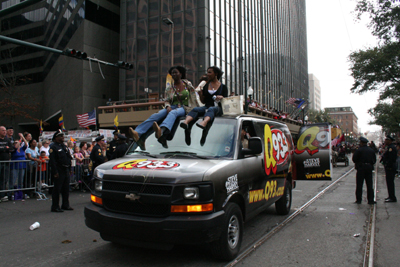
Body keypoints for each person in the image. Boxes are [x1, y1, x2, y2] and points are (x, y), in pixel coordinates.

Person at [129, 66, 197, 149]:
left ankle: (162, 130)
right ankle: (138, 132)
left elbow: (194, 97)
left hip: (185, 107)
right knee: (156, 115)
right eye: (172, 73)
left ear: (181, 74)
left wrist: (196, 108)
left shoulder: (187, 84)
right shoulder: (169, 88)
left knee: (173, 113)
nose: (174, 74)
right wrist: (167, 106)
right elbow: (167, 100)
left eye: (176, 72)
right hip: (172, 106)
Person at [180, 66, 228, 145]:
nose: (207, 74)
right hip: (207, 106)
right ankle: (185, 123)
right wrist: (201, 95)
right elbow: (203, 101)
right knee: (196, 109)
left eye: (210, 72)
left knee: (211, 109)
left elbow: (226, 100)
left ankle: (204, 122)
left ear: (215, 74)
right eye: (207, 72)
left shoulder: (223, 87)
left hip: (218, 108)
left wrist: (222, 97)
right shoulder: (206, 85)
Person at [49, 130, 73, 212]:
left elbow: (69, 158)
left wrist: (70, 169)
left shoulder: (64, 146)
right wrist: (55, 172)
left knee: (66, 189)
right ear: (56, 138)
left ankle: (65, 205)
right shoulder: (53, 147)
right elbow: (52, 161)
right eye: (61, 136)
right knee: (57, 189)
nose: (63, 137)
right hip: (59, 170)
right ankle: (55, 206)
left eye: (63, 136)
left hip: (66, 169)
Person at [352, 137, 377, 204]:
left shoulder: (359, 150)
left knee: (359, 184)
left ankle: (359, 200)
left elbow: (354, 159)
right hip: (369, 168)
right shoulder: (371, 150)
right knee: (369, 185)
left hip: (361, 168)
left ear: (362, 143)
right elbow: (374, 160)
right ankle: (370, 200)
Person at [381, 135, 397, 202]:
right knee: (389, 182)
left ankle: (392, 197)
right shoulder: (389, 147)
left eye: (386, 140)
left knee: (390, 182)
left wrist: (388, 165)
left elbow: (391, 158)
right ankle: (390, 196)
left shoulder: (391, 148)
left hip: (390, 167)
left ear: (389, 140)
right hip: (389, 167)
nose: (385, 141)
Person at [0, 126, 14, 202]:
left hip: (6, 162)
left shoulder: (7, 139)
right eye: (3, 130)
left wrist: (4, 148)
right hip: (0, 161)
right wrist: (5, 148)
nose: (4, 132)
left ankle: (2, 195)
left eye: (5, 130)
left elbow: (11, 148)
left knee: (4, 179)